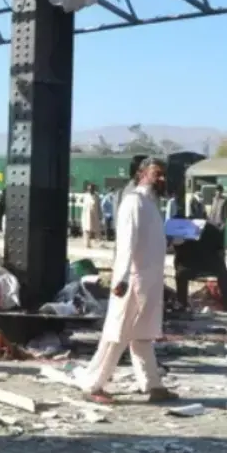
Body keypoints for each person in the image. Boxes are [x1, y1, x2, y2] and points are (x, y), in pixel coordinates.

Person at [78, 157, 176, 405]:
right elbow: (126, 244)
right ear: (142, 174)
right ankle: (93, 384)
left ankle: (152, 384)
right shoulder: (134, 202)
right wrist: (120, 278)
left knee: (142, 335)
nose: (161, 179)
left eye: (163, 174)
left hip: (149, 281)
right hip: (132, 281)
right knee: (118, 334)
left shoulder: (150, 203)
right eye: (157, 174)